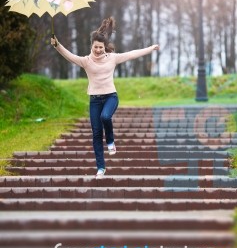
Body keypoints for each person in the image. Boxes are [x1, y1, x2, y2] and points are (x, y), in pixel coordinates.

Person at [51, 17, 159, 178]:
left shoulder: (112, 58)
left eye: (101, 47)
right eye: (96, 47)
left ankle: (110, 141)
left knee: (105, 117)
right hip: (94, 100)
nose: (98, 50)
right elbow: (69, 56)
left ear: (104, 47)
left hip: (111, 97)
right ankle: (101, 168)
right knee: (95, 133)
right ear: (92, 46)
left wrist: (151, 48)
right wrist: (57, 45)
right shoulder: (85, 61)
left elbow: (132, 54)